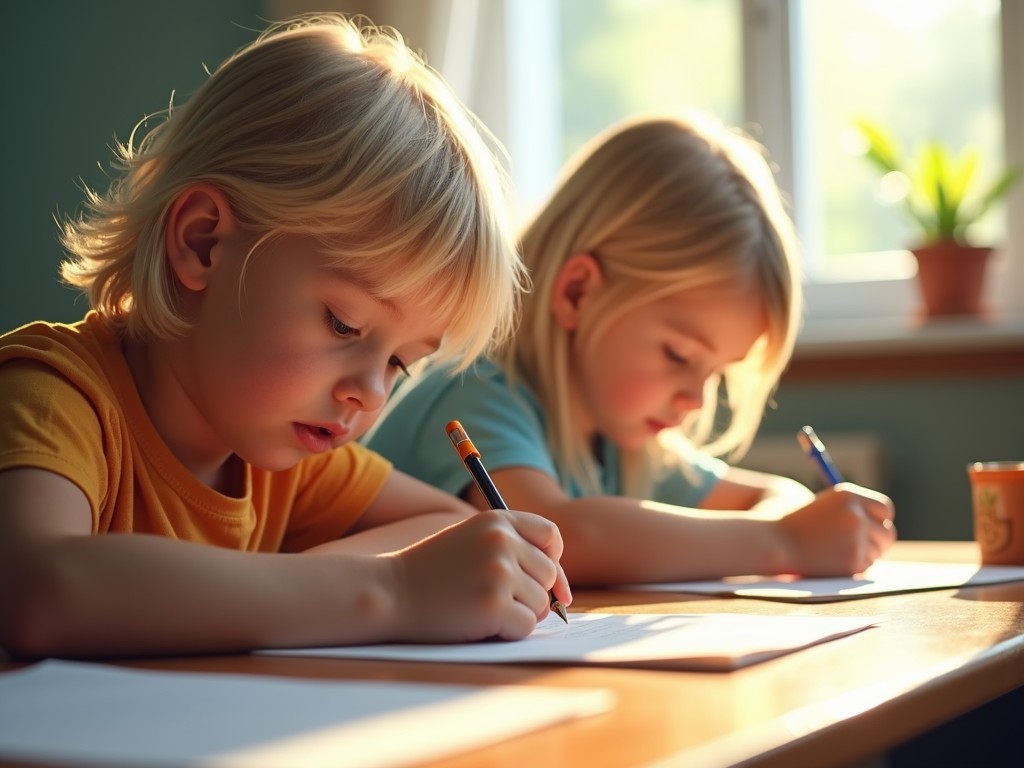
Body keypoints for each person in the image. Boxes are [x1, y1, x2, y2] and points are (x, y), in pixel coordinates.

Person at [0, 13, 570, 660]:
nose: (370, 394)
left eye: (401, 365)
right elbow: (39, 592)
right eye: (344, 325)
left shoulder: (286, 463)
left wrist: (335, 580)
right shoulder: (52, 396)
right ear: (203, 243)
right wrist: (387, 591)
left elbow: (452, 526)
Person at [366, 112, 897, 587]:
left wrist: (793, 523)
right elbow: (564, 536)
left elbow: (770, 495)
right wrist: (786, 542)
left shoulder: (621, 441)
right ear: (578, 293)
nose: (695, 398)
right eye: (680, 355)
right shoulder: (474, 391)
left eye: (715, 373)